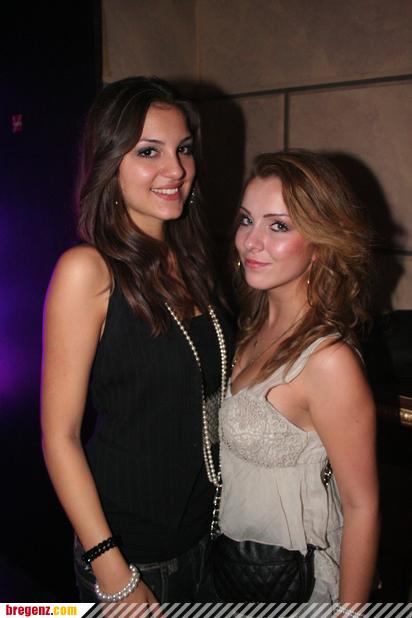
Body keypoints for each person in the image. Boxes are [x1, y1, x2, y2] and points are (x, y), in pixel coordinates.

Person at [40, 76, 234, 604]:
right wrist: (111, 569)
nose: (176, 169)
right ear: (109, 162)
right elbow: (59, 437)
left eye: (183, 149)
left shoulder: (192, 260)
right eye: (149, 151)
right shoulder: (88, 270)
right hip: (134, 552)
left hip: (208, 536)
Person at [211, 150, 379, 609]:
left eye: (279, 226)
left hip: (300, 590)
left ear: (320, 244)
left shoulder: (328, 361)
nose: (251, 241)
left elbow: (362, 507)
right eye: (247, 220)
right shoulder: (250, 328)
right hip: (236, 576)